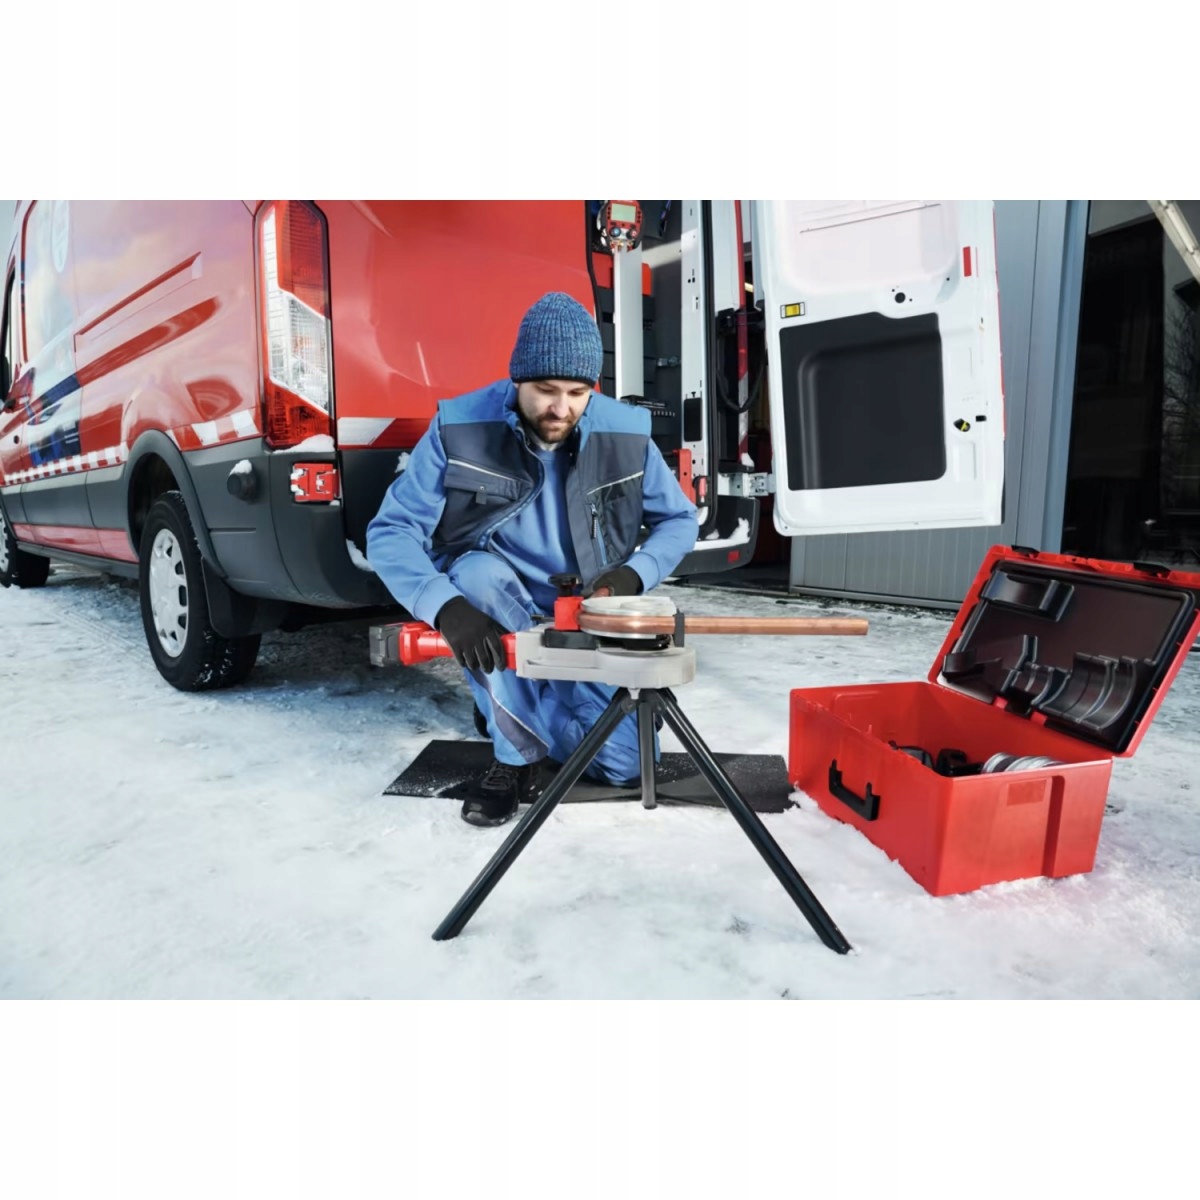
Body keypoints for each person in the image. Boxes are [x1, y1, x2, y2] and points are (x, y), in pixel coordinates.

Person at [367, 291, 699, 827]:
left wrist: (632, 575)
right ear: (517, 379)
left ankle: (509, 705)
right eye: (545, 390)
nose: (561, 409)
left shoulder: (625, 433)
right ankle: (512, 755)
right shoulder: (459, 426)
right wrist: (444, 607)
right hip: (495, 604)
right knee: (477, 577)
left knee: (626, 766)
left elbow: (679, 520)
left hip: (586, 613)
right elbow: (391, 531)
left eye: (577, 393)